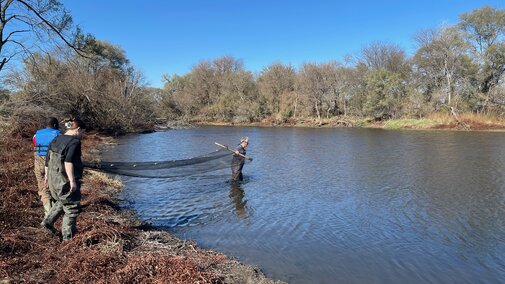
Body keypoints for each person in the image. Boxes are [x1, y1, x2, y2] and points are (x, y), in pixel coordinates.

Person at [41, 118, 86, 241]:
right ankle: (68, 239)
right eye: (82, 132)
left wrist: (46, 178)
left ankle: (47, 222)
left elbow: (47, 160)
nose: (82, 135)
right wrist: (72, 181)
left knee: (62, 201)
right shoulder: (74, 142)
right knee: (71, 208)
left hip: (52, 178)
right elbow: (68, 162)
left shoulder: (56, 139)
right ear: (77, 130)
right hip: (64, 180)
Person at [33, 117, 60, 218]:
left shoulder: (36, 135)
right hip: (53, 165)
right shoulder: (59, 135)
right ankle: (52, 215)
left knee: (43, 189)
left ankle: (47, 211)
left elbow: (35, 148)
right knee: (54, 188)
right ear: (54, 125)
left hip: (39, 165)